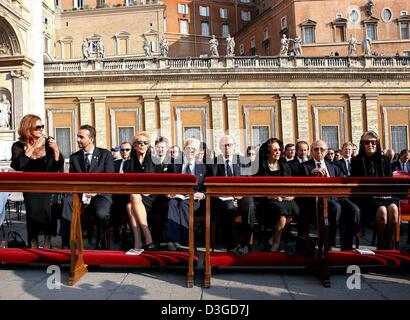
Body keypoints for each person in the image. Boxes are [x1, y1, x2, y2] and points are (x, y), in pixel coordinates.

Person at [11, 114, 64, 248]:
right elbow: (19, 165)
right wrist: (33, 148)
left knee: (48, 214)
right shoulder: (18, 146)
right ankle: (33, 243)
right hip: (30, 187)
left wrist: (56, 150)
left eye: (42, 126)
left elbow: (56, 167)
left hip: (47, 186)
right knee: (32, 215)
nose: (41, 129)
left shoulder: (48, 144)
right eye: (38, 127)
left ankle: (47, 243)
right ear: (28, 128)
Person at [299, 140, 360, 250]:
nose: (319, 152)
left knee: (354, 210)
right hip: (317, 199)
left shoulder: (334, 166)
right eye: (316, 149)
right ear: (311, 152)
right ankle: (329, 243)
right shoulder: (304, 167)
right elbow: (301, 186)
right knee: (335, 208)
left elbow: (342, 183)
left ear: (326, 151)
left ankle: (347, 245)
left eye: (322, 149)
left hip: (336, 196)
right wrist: (311, 174)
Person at [61, 124, 114, 249]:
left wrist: (95, 192)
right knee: (67, 202)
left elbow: (110, 179)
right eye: (78, 137)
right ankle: (67, 243)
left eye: (81, 137)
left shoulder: (105, 155)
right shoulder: (75, 157)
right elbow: (72, 180)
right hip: (80, 194)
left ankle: (101, 244)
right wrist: (82, 192)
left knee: (101, 213)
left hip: (100, 195)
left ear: (91, 139)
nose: (78, 139)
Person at [208, 135, 256, 255]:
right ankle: (233, 245)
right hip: (222, 197)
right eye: (224, 145)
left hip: (241, 195)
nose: (227, 147)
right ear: (220, 147)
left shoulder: (244, 160)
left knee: (250, 205)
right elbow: (209, 183)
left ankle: (246, 243)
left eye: (229, 145)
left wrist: (241, 193)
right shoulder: (213, 163)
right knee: (228, 207)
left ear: (234, 147)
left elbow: (249, 180)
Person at [350, 130, 399, 249]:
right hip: (367, 199)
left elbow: (390, 182)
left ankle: (390, 244)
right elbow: (355, 184)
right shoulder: (356, 161)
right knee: (382, 210)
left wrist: (386, 194)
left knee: (393, 209)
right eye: (367, 142)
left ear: (377, 143)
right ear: (363, 144)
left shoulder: (386, 160)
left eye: (373, 142)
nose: (370, 145)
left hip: (385, 196)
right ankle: (381, 244)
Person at [256, 138, 300, 252]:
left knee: (291, 214)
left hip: (284, 197)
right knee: (282, 217)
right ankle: (276, 242)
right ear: (268, 151)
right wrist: (270, 195)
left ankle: (272, 237)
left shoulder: (284, 165)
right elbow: (258, 187)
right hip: (268, 199)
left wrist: (291, 195)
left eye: (279, 150)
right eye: (275, 149)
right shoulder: (261, 167)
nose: (278, 152)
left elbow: (290, 183)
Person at [165, 138, 206, 251]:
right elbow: (167, 182)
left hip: (194, 198)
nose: (191, 151)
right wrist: (167, 192)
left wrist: (203, 195)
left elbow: (205, 186)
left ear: (197, 151)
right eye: (189, 148)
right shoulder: (174, 165)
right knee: (172, 203)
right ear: (184, 149)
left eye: (194, 149)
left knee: (184, 205)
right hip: (177, 195)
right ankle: (173, 241)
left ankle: (187, 241)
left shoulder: (203, 166)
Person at [123, 131, 161, 251]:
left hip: (152, 198)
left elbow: (159, 183)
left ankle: (140, 241)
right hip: (135, 196)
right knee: (131, 203)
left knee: (131, 204)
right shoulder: (128, 164)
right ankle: (146, 239)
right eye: (140, 142)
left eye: (146, 142)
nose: (143, 145)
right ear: (134, 145)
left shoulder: (156, 161)